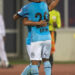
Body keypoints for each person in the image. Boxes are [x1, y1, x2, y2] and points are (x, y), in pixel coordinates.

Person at [13, 0, 51, 75]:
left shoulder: (31, 7)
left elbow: (16, 18)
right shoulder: (41, 5)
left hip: (37, 38)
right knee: (36, 63)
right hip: (32, 40)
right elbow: (23, 22)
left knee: (36, 64)